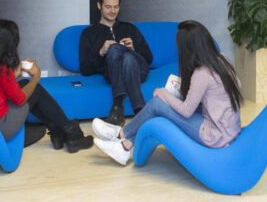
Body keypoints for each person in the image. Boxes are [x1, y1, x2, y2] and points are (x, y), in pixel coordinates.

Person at [90, 20, 242, 166]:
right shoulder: (223, 59)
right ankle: (125, 144)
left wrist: (164, 93)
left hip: (215, 136)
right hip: (230, 129)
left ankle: (121, 135)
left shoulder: (202, 73)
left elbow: (186, 111)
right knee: (163, 108)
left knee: (158, 103)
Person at [0, 19, 93, 153]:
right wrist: (36, 76)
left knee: (24, 84)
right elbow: (20, 99)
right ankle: (73, 135)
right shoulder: (1, 68)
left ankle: (57, 132)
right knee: (35, 89)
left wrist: (14, 74)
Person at [79, 0, 153, 126]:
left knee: (124, 54)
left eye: (116, 7)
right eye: (108, 7)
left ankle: (117, 106)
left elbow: (149, 58)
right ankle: (139, 109)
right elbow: (85, 69)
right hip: (112, 73)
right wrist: (101, 52)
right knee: (125, 58)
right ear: (99, 6)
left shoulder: (130, 28)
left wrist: (133, 49)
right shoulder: (89, 33)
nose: (113, 11)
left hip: (139, 70)